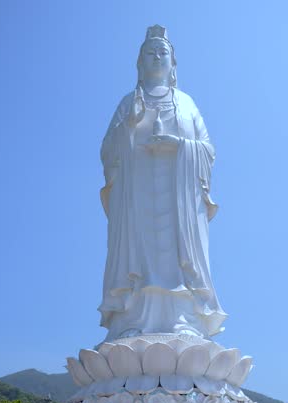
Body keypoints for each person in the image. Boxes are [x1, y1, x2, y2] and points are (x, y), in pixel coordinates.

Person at [99, 25, 227, 342]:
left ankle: (184, 320)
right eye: (150, 52)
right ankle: (131, 320)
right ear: (140, 63)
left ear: (173, 63)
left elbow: (208, 150)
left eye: (163, 52)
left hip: (178, 198)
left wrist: (179, 146)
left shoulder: (186, 103)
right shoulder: (128, 103)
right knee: (139, 256)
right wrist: (128, 126)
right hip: (137, 196)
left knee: (176, 259)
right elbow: (107, 151)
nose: (157, 57)